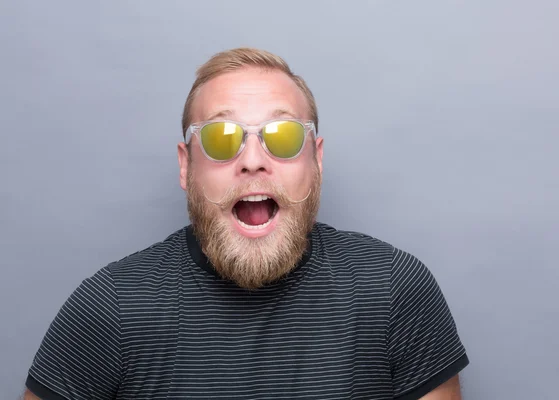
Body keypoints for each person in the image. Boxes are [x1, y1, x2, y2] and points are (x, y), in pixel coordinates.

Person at [24, 47, 469, 399]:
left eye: (283, 137)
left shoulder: (395, 289)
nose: (253, 161)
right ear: (186, 166)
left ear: (316, 159)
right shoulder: (110, 308)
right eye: (221, 139)